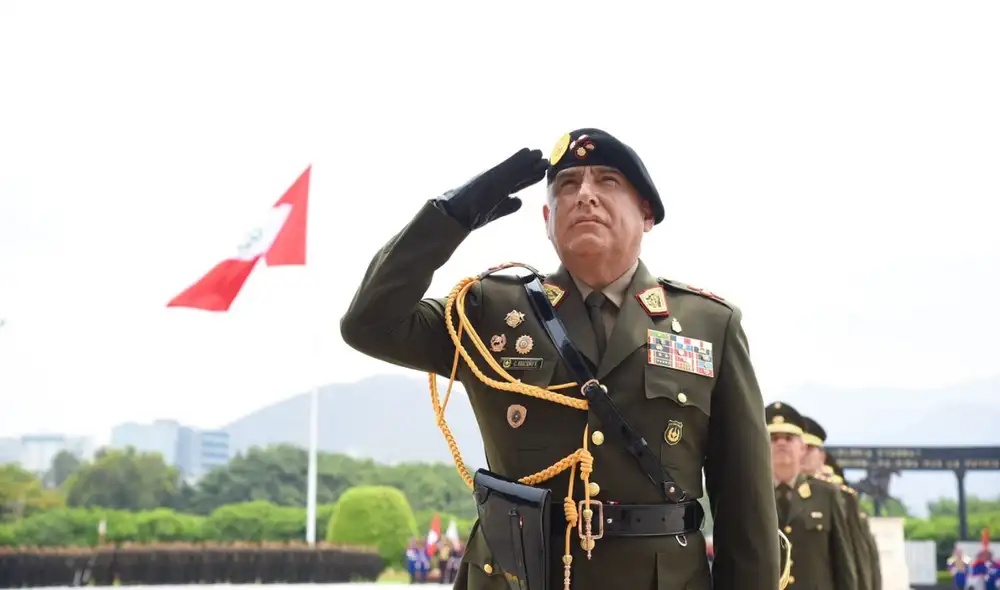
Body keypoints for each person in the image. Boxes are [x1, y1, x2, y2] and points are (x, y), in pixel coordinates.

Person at [341, 128, 781, 589]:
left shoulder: (708, 324)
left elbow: (745, 507)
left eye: (607, 182)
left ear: (646, 213)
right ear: (547, 218)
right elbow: (368, 324)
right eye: (567, 186)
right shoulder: (490, 310)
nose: (585, 195)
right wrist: (451, 217)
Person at [766, 401, 859, 590]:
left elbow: (843, 563)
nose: (781, 443)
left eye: (789, 437)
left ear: (802, 447)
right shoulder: (750, 499)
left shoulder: (826, 495)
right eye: (773, 438)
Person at [801, 415, 882, 590]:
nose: (803, 453)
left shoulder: (841, 498)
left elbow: (856, 558)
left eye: (809, 448)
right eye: (800, 447)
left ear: (822, 456)